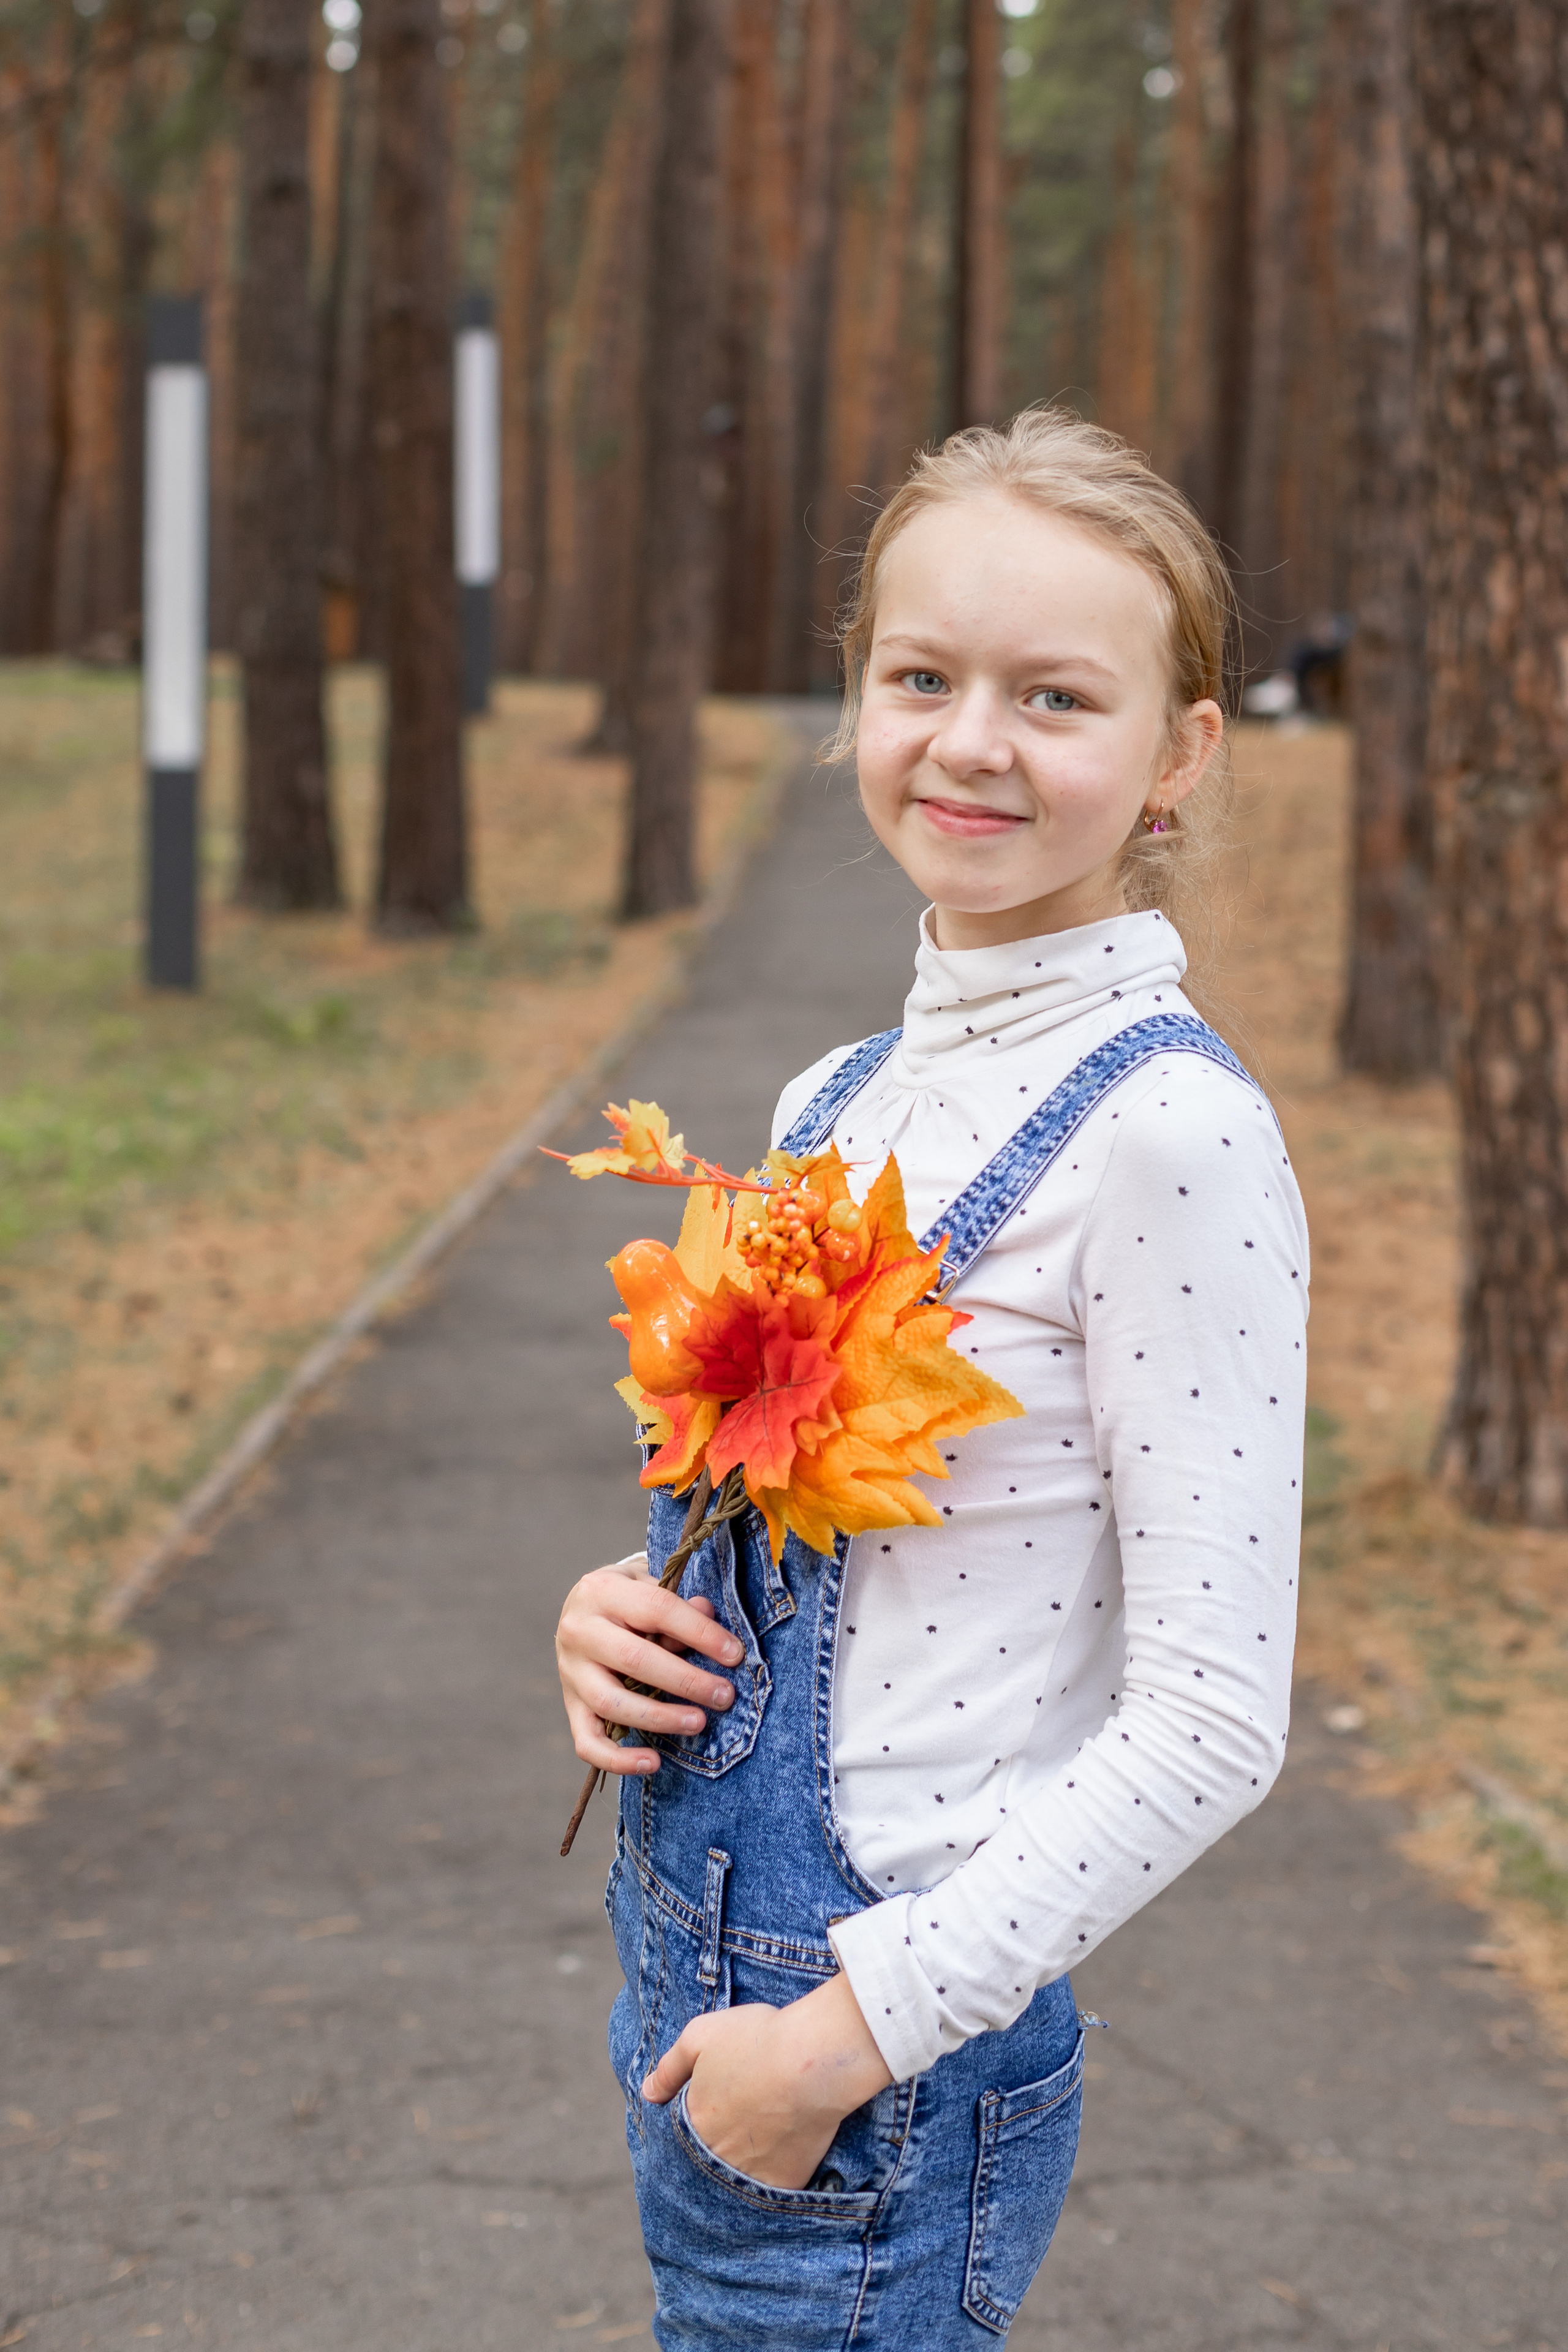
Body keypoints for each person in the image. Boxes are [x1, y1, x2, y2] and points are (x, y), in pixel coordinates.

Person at [555, 406, 1309, 2349]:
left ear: (1176, 756)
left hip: (874, 2041)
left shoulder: (1168, 1138)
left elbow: (1215, 1720)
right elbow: (825, 1546)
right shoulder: (838, 1098)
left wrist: (836, 2040)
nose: (972, 740)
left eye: (1056, 696)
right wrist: (622, 1623)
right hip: (692, 1965)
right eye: (924, 676)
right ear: (859, 699)